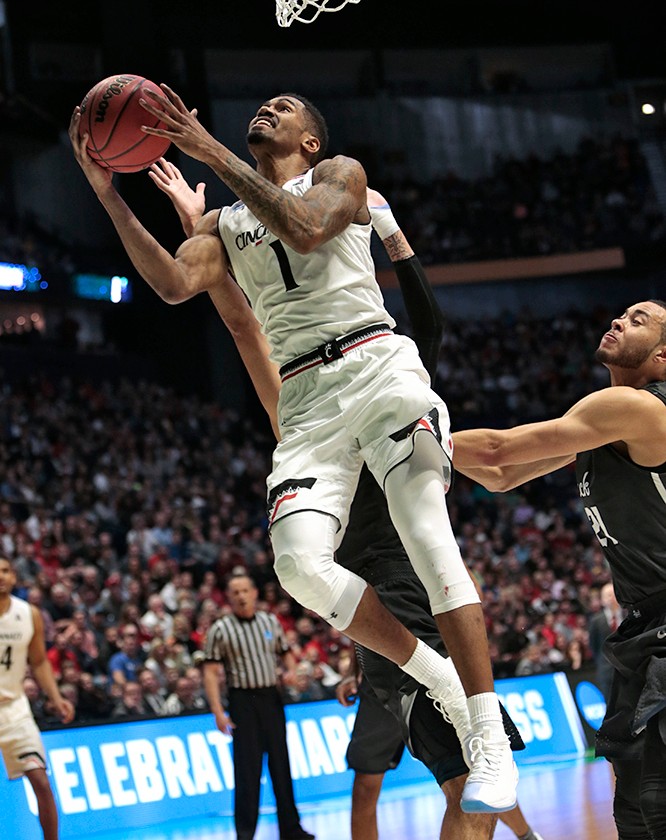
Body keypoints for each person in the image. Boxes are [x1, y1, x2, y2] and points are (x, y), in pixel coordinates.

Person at [69, 90, 517, 813]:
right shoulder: (224, 223)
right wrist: (109, 197)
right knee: (299, 565)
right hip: (306, 399)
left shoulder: (341, 173)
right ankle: (438, 678)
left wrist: (209, 151)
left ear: (311, 141)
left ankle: (487, 730)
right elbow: (176, 283)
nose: (269, 109)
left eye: (286, 107)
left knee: (427, 530)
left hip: (378, 365)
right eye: (266, 104)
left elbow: (308, 231)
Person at [154, 168, 537, 840]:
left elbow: (428, 338)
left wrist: (392, 235)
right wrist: (201, 235)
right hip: (397, 628)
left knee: (476, 786)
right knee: (456, 786)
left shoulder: (397, 404)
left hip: (426, 609)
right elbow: (247, 330)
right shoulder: (302, 423)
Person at [451, 299, 666, 840]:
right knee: (635, 811)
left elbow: (498, 451)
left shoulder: (636, 409)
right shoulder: (602, 422)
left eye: (638, 320)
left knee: (651, 804)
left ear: (663, 356)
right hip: (645, 626)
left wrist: (395, 434)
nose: (618, 320)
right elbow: (502, 478)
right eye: (621, 313)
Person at [203, 573, 314, 840]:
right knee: (247, 771)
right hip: (242, 702)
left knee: (281, 766)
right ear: (228, 597)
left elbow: (285, 652)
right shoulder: (220, 629)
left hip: (271, 699)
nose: (241, 596)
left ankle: (291, 829)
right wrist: (218, 711)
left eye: (245, 590)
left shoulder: (269, 621)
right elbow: (210, 672)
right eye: (235, 592)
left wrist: (293, 674)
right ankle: (245, 833)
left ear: (254, 593)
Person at [0, 554, 75, 840]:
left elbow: (40, 662)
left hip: (15, 709)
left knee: (41, 781)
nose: (1, 576)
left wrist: (56, 698)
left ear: (14, 577)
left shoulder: (28, 614)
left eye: (6, 570)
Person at [588, 581, 625, 702]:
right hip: (607, 672)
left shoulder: (628, 615)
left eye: (613, 594)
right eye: (608, 595)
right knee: (612, 706)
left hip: (630, 668)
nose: (611, 598)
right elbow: (594, 646)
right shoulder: (596, 621)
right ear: (602, 600)